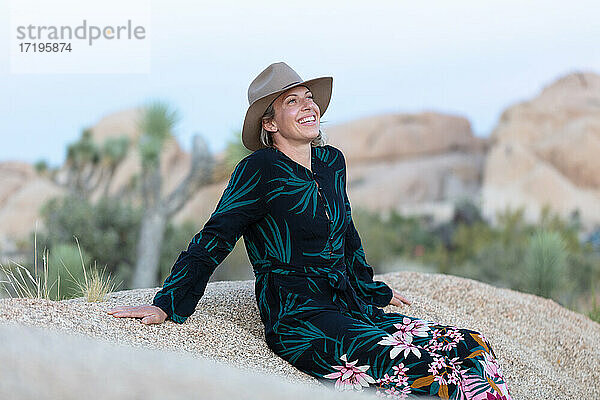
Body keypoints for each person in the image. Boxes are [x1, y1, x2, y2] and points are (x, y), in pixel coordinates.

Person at [108, 62, 513, 399]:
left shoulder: (333, 162)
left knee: (471, 345)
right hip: (301, 318)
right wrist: (168, 303)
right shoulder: (259, 171)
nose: (308, 106)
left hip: (351, 305)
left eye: (309, 98)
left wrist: (374, 291)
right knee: (424, 372)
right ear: (270, 123)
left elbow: (347, 235)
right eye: (292, 101)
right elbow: (214, 239)